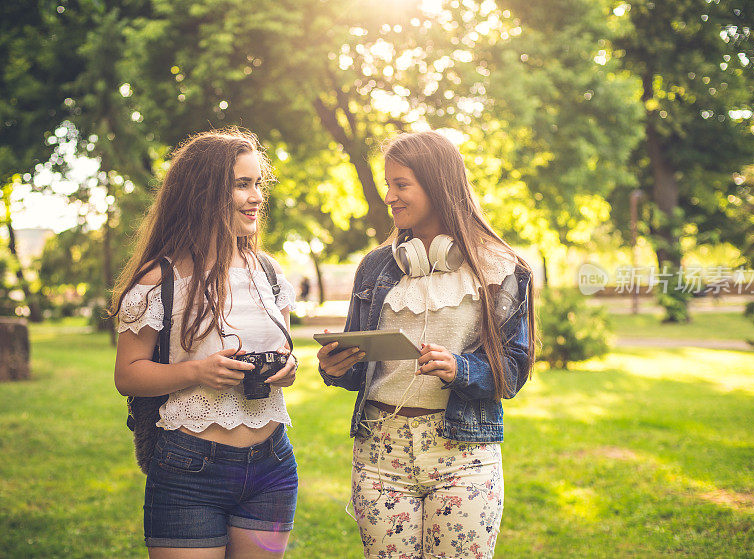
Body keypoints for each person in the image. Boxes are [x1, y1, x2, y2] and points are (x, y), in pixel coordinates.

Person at [317, 131, 535, 558]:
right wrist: (336, 366)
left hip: (463, 454)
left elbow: (513, 371)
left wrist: (462, 368)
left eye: (402, 185)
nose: (390, 197)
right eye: (388, 185)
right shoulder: (377, 266)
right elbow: (363, 368)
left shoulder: (501, 267)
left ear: (437, 184)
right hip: (381, 451)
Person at [112, 128, 299, 559]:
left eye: (258, 184)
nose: (256, 197)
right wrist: (199, 371)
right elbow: (127, 374)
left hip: (273, 465)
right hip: (188, 469)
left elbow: (287, 352)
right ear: (204, 193)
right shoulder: (159, 279)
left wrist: (286, 371)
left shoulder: (268, 272)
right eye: (241, 184)